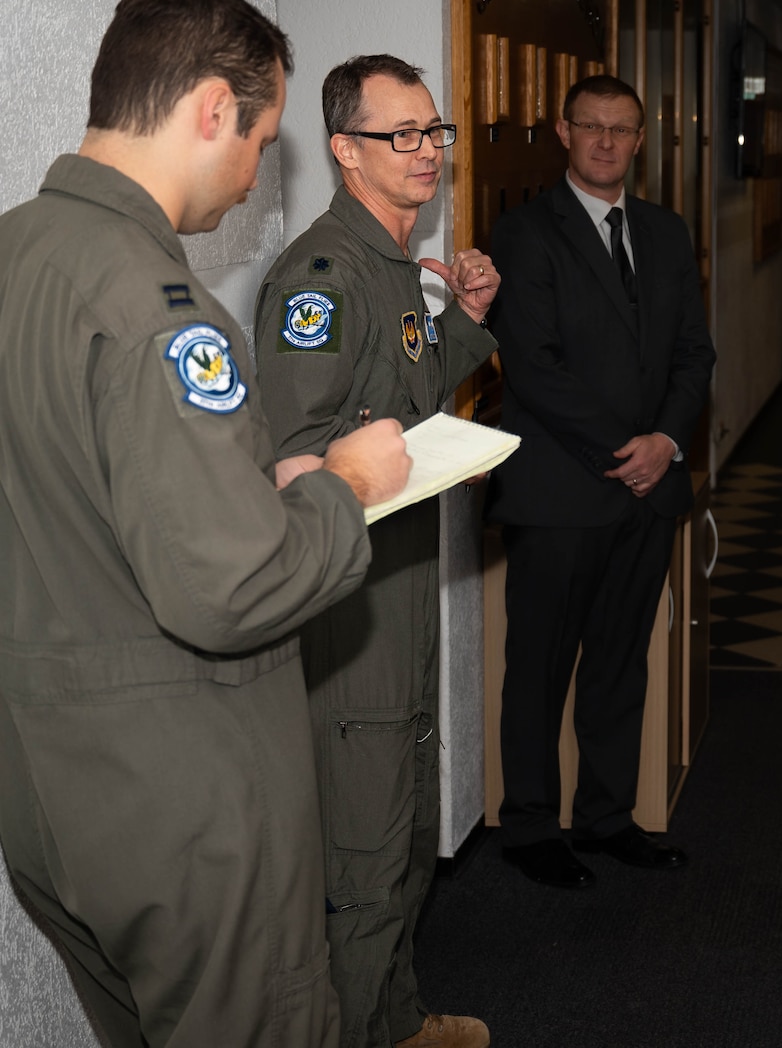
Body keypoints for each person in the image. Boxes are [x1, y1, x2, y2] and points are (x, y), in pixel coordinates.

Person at [0, 0, 412, 1046]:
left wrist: (245, 492)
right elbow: (231, 589)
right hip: (187, 807)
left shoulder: (14, 255)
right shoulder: (156, 305)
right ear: (210, 111)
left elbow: (72, 497)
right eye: (262, 141)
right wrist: (345, 488)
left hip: (51, 795)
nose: (254, 182)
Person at [252, 55, 499, 1048]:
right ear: (346, 151)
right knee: (362, 856)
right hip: (346, 604)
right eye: (401, 134)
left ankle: (395, 1019)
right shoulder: (321, 274)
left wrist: (466, 323)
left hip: (396, 581)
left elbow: (400, 407)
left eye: (434, 131)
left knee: (402, 833)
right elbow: (291, 458)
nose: (428, 151)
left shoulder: (396, 266)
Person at [489, 75, 715, 889]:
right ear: (563, 131)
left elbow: (694, 351)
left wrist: (664, 442)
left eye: (622, 129)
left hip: (647, 491)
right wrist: (626, 448)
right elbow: (536, 369)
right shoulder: (524, 234)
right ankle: (527, 827)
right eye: (592, 127)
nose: (607, 143)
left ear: (642, 136)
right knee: (541, 665)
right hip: (560, 491)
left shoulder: (664, 232)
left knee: (621, 662)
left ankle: (607, 816)